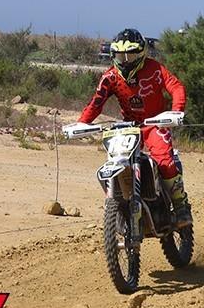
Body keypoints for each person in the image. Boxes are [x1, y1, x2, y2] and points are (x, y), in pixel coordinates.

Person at [78, 28, 193, 228]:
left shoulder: (155, 69)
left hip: (155, 124)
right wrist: (82, 123)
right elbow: (96, 103)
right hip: (127, 128)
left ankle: (180, 205)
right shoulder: (110, 77)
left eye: (130, 54)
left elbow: (176, 87)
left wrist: (177, 110)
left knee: (164, 160)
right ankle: (119, 205)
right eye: (120, 55)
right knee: (117, 161)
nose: (125, 60)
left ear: (140, 53)